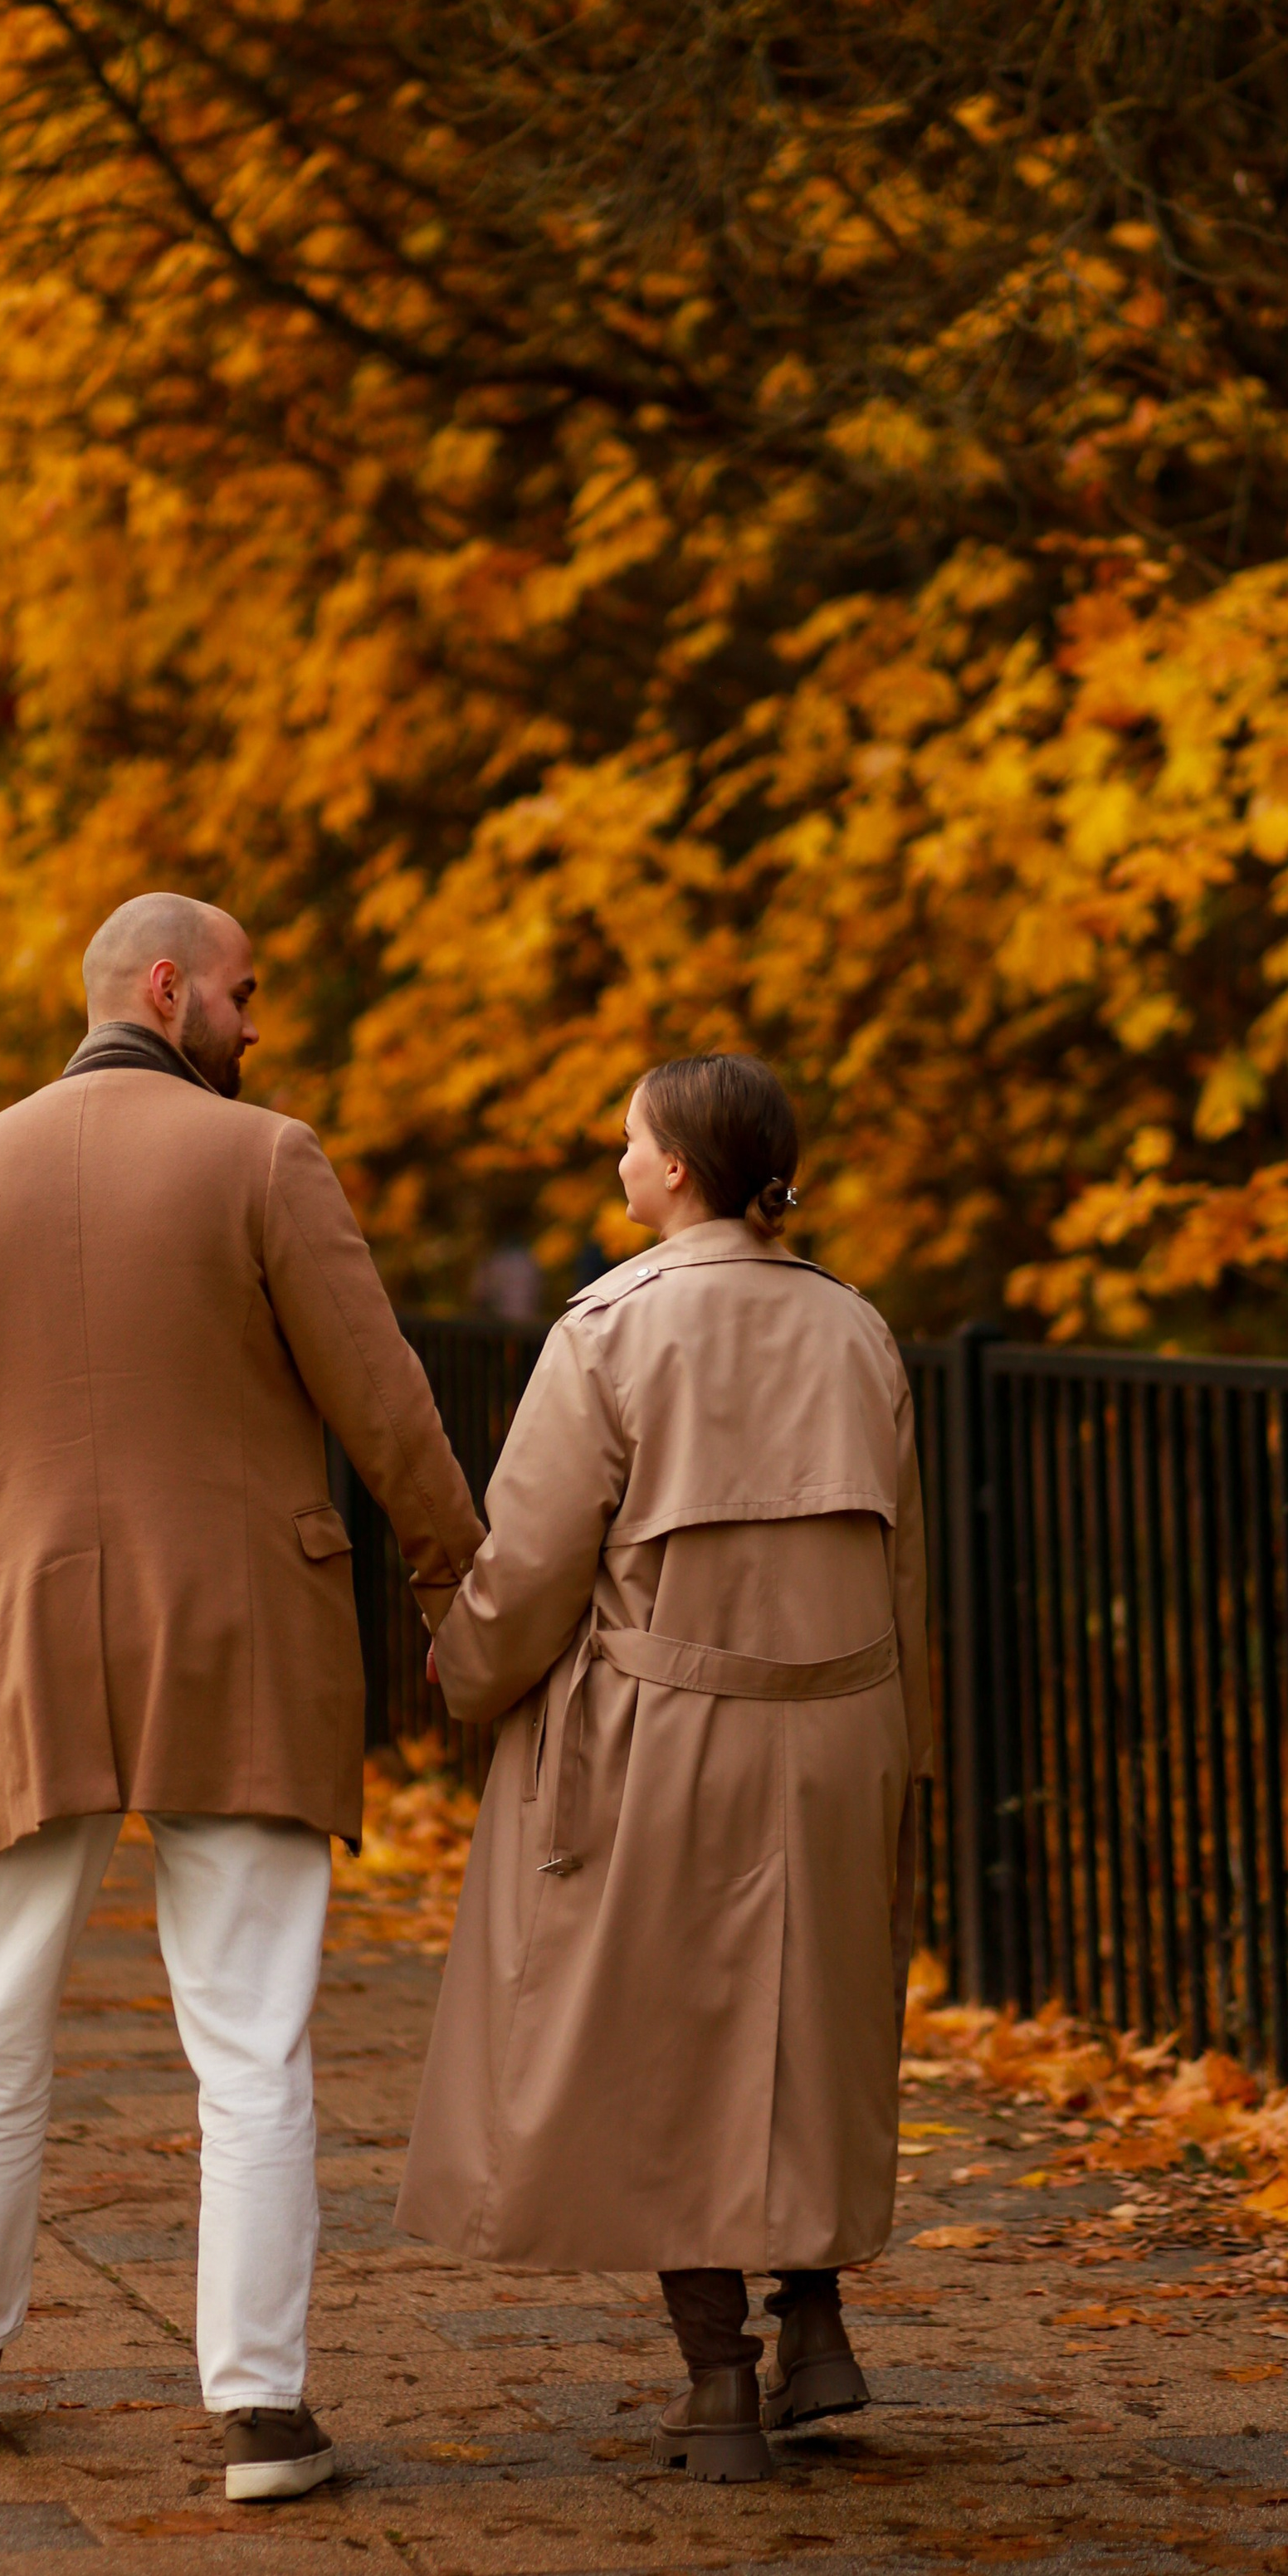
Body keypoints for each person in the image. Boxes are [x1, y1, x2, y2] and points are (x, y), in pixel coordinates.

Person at [0, 892, 483, 2500]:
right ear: (165, 989)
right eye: (242, 993)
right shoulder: (263, 1160)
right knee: (251, 2033)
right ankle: (259, 2410)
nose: (255, 1024)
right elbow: (384, 1401)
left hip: (22, 1637)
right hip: (238, 1635)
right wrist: (459, 1590)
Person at [395, 1052, 929, 2481]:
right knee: (810, 2024)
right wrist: (905, 1753)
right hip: (843, 1728)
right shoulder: (859, 1331)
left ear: (678, 1168)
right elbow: (905, 1573)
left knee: (665, 2036)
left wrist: (467, 1663)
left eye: (629, 1141)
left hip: (667, 1727)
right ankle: (817, 2323)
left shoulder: (609, 1328)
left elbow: (533, 1559)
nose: (619, 1161)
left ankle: (719, 2380)